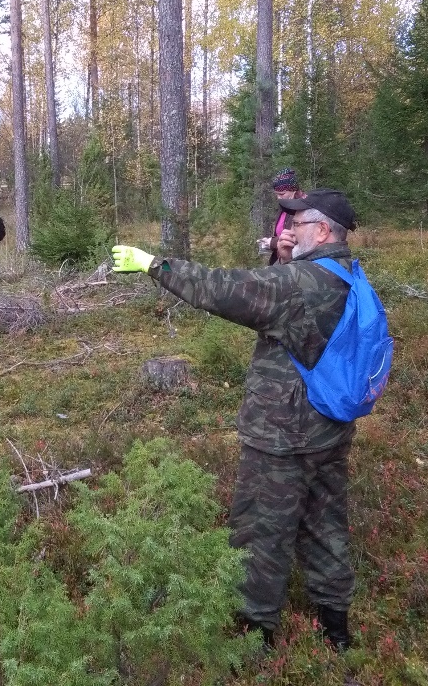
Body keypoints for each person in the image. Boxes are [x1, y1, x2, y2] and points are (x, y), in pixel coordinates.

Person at [111, 189, 361, 652]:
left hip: (281, 434)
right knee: (325, 523)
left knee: (261, 533)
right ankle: (336, 631)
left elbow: (225, 290)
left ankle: (255, 639)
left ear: (323, 231)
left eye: (298, 224)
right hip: (330, 429)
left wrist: (155, 265)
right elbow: (293, 320)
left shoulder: (298, 284)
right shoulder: (347, 275)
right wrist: (282, 260)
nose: (287, 231)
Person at [257, 167, 304, 266]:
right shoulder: (284, 206)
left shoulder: (303, 209)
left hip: (296, 264)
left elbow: (298, 238)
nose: (279, 198)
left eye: (282, 194)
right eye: (276, 194)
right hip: (280, 261)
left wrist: (272, 242)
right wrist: (269, 242)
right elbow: (281, 231)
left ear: (293, 190)